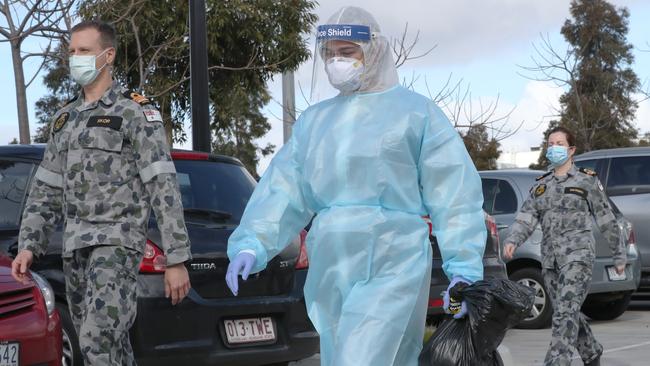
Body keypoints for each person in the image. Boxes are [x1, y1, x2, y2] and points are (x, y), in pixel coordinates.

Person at [225, 7, 486, 366]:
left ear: (374, 52)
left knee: (360, 358)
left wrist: (464, 266)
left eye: (347, 52)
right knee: (346, 356)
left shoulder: (416, 114)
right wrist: (252, 242)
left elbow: (453, 192)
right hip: (331, 262)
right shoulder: (315, 122)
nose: (336, 62)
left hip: (395, 260)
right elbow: (284, 188)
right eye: (330, 54)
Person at [10, 20, 192, 365]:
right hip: (74, 247)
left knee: (97, 340)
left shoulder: (135, 111)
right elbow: (46, 187)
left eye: (84, 51)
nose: (75, 58)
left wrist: (177, 258)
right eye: (72, 51)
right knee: (111, 350)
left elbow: (162, 184)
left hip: (117, 244)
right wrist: (29, 245)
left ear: (108, 56)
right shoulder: (65, 119)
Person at [503, 126, 626, 366]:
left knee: (564, 312)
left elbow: (606, 218)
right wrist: (512, 240)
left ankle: (557, 362)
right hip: (550, 260)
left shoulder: (586, 180)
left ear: (571, 150)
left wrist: (619, 254)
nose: (554, 148)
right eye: (551, 144)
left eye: (559, 143)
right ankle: (591, 353)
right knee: (566, 311)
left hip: (578, 258)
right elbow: (526, 217)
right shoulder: (541, 185)